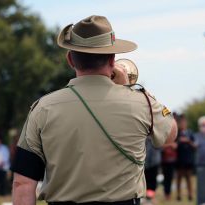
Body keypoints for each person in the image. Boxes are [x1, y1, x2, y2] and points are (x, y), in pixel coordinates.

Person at [11, 15, 177, 205]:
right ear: (113, 59)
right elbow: (170, 134)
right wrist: (132, 89)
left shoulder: (43, 109)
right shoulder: (141, 102)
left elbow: (22, 183)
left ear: (70, 60)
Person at [176, 114, 195, 201]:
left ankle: (190, 194)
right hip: (179, 158)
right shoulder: (177, 133)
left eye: (184, 122)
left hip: (188, 158)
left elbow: (195, 145)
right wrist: (180, 141)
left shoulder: (190, 133)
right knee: (179, 177)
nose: (183, 124)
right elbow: (175, 144)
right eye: (182, 123)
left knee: (188, 177)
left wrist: (188, 141)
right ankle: (178, 195)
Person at [144, 138, 161, 203]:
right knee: (146, 180)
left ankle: (151, 197)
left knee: (153, 180)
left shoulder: (156, 138)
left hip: (154, 162)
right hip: (145, 163)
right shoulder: (144, 138)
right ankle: (147, 197)